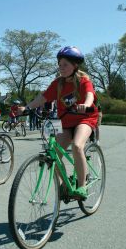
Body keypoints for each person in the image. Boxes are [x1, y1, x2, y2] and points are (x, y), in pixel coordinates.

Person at [19, 46, 99, 201]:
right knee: (54, 153)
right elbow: (42, 98)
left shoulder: (84, 81)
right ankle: (63, 185)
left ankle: (81, 186)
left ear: (75, 66)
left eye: (65, 65)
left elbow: (89, 95)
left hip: (84, 119)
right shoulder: (58, 83)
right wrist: (27, 108)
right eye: (60, 64)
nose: (61, 68)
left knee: (77, 146)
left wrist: (87, 105)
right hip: (65, 121)